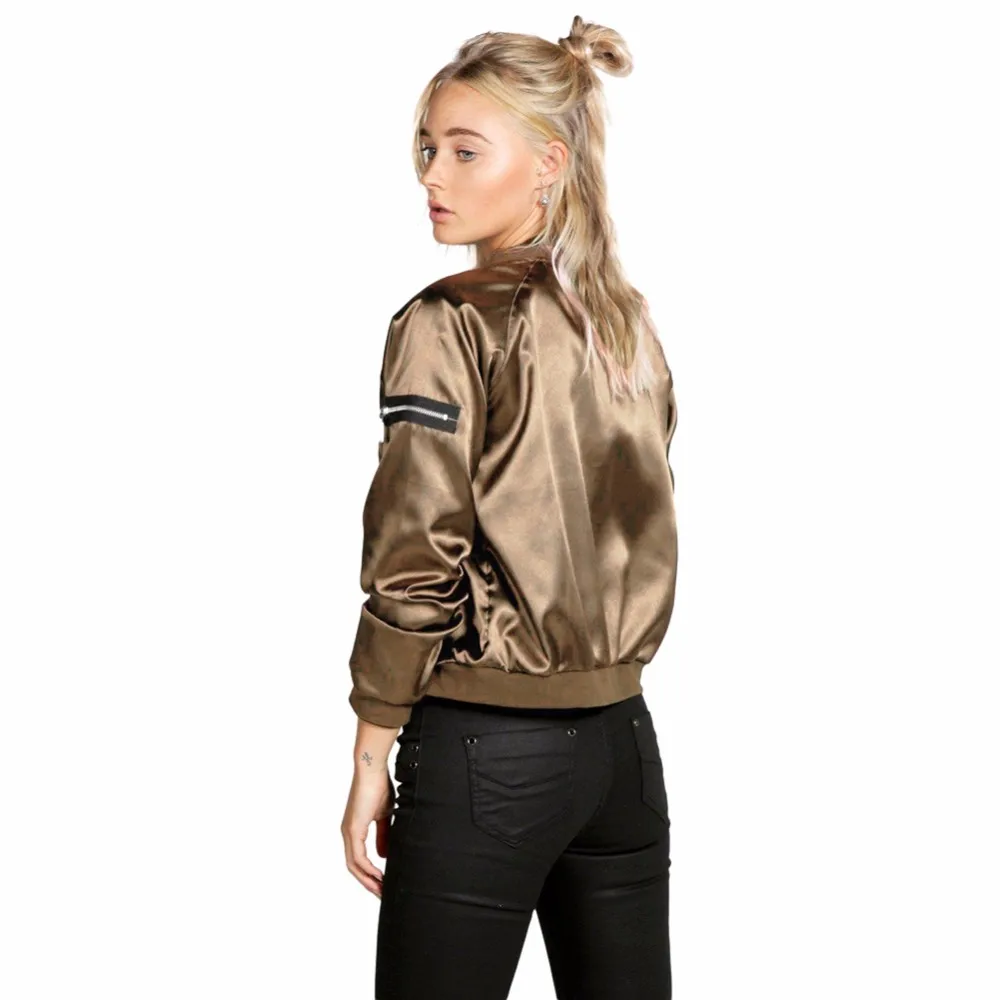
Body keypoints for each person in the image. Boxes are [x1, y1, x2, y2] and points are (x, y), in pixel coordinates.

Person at [341, 16, 679, 1000]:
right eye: (426, 149)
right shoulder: (625, 324)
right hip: (623, 750)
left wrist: (372, 742)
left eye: (464, 151)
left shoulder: (447, 320)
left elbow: (417, 551)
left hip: (489, 749)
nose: (432, 177)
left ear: (548, 165)